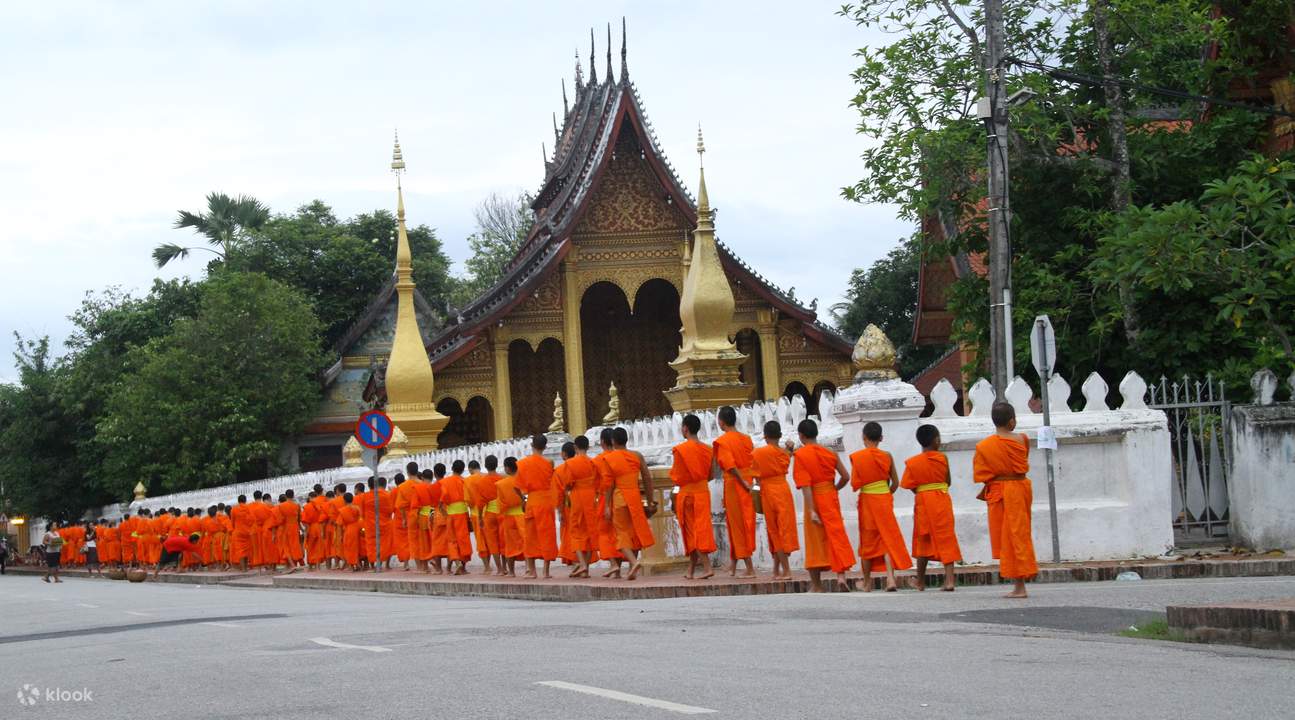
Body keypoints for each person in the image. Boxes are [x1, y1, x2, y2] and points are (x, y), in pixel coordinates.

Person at [974, 402, 1038, 598]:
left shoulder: (984, 446)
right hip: (1019, 490)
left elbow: (981, 473)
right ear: (1012, 421)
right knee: (1018, 535)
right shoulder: (1022, 439)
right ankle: (1019, 585)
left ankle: (1020, 587)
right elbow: (1021, 462)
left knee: (1010, 538)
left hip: (1001, 492)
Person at [792, 419, 855, 592]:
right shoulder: (830, 452)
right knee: (835, 536)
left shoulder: (800, 455)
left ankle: (817, 585)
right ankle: (841, 577)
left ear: (802, 436)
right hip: (830, 496)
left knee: (814, 540)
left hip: (813, 498)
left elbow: (805, 485)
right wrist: (833, 489)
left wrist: (812, 510)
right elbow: (845, 476)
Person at [849, 422, 913, 592]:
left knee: (868, 540)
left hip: (868, 500)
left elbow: (855, 483)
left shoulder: (858, 457)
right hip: (884, 499)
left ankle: (867, 582)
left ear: (863, 438)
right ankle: (891, 579)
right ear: (881, 438)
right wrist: (885, 494)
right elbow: (896, 483)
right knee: (887, 538)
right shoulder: (887, 456)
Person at [903, 424, 962, 591]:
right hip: (941, 500)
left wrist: (924, 490)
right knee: (946, 537)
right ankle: (949, 580)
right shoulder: (942, 459)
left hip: (923, 502)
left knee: (922, 539)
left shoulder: (913, 462)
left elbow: (910, 485)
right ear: (936, 440)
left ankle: (920, 581)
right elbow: (948, 481)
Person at [603, 427, 656, 580]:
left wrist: (607, 505)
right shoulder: (637, 455)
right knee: (635, 532)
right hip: (634, 497)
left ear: (613, 441)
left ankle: (633, 562)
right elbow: (647, 478)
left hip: (619, 497)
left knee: (621, 533)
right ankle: (632, 568)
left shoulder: (611, 458)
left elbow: (609, 484)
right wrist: (650, 499)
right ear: (627, 440)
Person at [671, 414, 717, 580]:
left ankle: (707, 567)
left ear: (685, 428)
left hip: (688, 494)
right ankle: (691, 569)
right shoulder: (708, 449)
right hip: (703, 492)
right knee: (701, 528)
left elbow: (676, 477)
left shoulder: (680, 450)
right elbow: (711, 475)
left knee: (692, 532)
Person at [714, 406, 757, 578]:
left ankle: (750, 568)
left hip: (735, 484)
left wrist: (743, 483)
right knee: (738, 523)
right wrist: (749, 483)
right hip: (747, 482)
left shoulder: (723, 442)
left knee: (739, 526)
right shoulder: (746, 439)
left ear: (721, 422)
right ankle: (733, 565)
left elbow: (730, 467)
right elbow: (752, 462)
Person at [752, 421, 797, 580]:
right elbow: (786, 455)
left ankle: (787, 571)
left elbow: (755, 476)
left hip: (768, 492)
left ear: (765, 437)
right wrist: (790, 449)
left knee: (775, 531)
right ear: (779, 436)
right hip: (783, 490)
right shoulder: (784, 453)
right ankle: (777, 570)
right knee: (783, 528)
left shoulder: (758, 453)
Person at [517, 435, 558, 579]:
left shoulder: (522, 463)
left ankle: (532, 571)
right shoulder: (550, 462)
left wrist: (523, 499)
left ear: (531, 445)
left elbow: (518, 486)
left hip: (532, 500)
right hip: (546, 501)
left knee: (530, 536)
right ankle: (546, 572)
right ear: (545, 447)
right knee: (547, 535)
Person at [560, 438, 599, 578]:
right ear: (588, 447)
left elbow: (568, 484)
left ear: (575, 447)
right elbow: (597, 481)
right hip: (591, 497)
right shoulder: (593, 462)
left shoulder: (570, 463)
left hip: (577, 497)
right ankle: (586, 568)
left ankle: (582, 563)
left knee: (576, 531)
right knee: (590, 530)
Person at [592, 428, 625, 577]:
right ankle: (617, 567)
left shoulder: (599, 460)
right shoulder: (621, 457)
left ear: (602, 442)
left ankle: (613, 563)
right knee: (617, 532)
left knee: (604, 532)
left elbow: (595, 482)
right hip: (620, 496)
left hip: (605, 497)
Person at [466, 457, 503, 576]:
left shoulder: (471, 480)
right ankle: (505, 568)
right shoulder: (499, 478)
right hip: (499, 512)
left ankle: (492, 567)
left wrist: (478, 515)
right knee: (500, 540)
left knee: (486, 542)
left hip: (482, 514)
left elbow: (472, 501)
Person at [440, 461, 473, 575]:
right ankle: (463, 567)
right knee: (463, 539)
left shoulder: (445, 482)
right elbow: (469, 500)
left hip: (451, 514)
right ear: (463, 470)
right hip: (463, 513)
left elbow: (441, 501)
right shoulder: (465, 481)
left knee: (452, 540)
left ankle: (457, 562)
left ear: (452, 468)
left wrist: (445, 514)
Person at [495, 457, 526, 576]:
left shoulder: (501, 484)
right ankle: (529, 568)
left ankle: (512, 571)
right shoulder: (523, 481)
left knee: (510, 544)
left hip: (508, 516)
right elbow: (526, 498)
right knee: (525, 542)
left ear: (507, 468)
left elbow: (500, 504)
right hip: (522, 515)